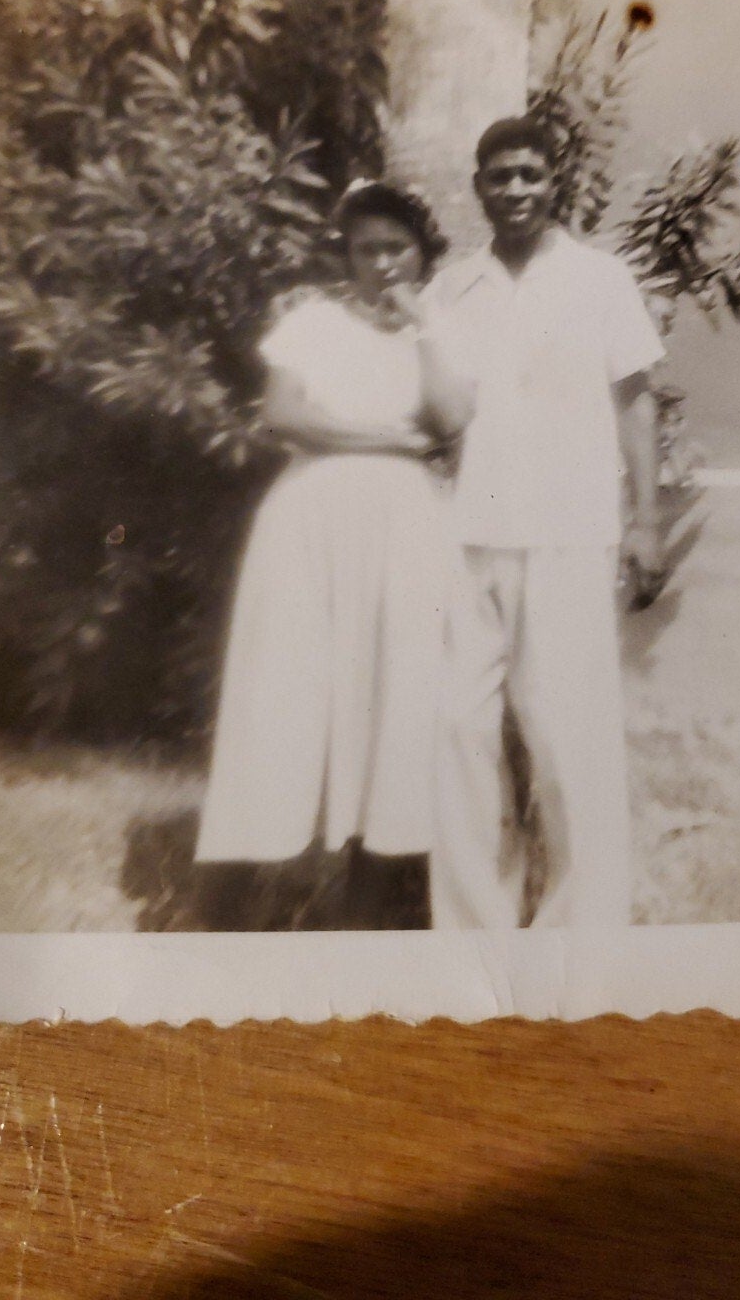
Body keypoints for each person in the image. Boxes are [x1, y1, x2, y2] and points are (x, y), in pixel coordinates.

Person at [193, 181, 475, 925]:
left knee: (398, 691)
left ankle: (370, 896)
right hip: (310, 519)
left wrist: (424, 330)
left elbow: (450, 421)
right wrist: (388, 438)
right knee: (280, 689)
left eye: (396, 248)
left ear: (422, 254)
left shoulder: (441, 326)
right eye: (366, 250)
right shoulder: (312, 322)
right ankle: (226, 897)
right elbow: (284, 415)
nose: (381, 264)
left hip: (408, 526)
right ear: (347, 257)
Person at [424, 117, 667, 930]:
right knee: (458, 727)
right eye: (500, 176)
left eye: (531, 174)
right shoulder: (450, 290)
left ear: (554, 180)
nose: (517, 190)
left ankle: (580, 924)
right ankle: (472, 926)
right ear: (479, 186)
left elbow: (635, 402)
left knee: (566, 729)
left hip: (570, 528)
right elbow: (432, 409)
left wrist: (647, 522)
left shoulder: (601, 281)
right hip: (470, 533)